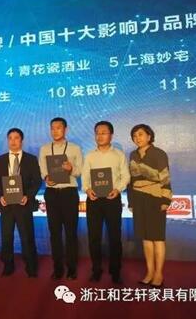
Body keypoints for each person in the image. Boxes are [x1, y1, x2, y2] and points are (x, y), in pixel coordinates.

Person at [82, 121, 130, 284]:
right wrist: (87, 189)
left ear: (111, 135)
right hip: (94, 200)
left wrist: (118, 189)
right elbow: (85, 177)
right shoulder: (90, 155)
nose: (100, 136)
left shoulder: (119, 155)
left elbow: (126, 176)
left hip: (112, 199)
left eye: (103, 132)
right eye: (97, 133)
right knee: (94, 237)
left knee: (114, 237)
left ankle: (115, 271)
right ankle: (96, 270)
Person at [0, 128, 41, 277]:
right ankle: (8, 265)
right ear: (7, 140)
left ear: (22, 140)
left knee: (27, 237)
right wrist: (0, 197)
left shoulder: (31, 159)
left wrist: (28, 196)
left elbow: (37, 181)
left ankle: (31, 266)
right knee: (6, 237)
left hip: (23, 204)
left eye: (16, 138)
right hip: (6, 205)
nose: (13, 141)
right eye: (10, 138)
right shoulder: (0, 160)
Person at [38, 117, 83, 280]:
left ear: (65, 129)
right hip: (51, 193)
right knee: (54, 232)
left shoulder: (75, 148)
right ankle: (57, 268)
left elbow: (80, 171)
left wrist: (71, 169)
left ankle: (71, 268)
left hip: (69, 192)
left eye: (58, 127)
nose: (55, 131)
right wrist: (46, 177)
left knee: (71, 232)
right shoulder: (44, 149)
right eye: (52, 128)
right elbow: (42, 169)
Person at [128, 124, 172, 288]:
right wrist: (131, 201)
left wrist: (165, 200)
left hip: (156, 198)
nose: (137, 138)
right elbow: (132, 180)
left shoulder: (159, 153)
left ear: (149, 136)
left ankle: (159, 274)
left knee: (157, 238)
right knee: (146, 238)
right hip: (138, 199)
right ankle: (149, 272)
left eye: (140, 134)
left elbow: (165, 178)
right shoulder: (133, 155)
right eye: (134, 135)